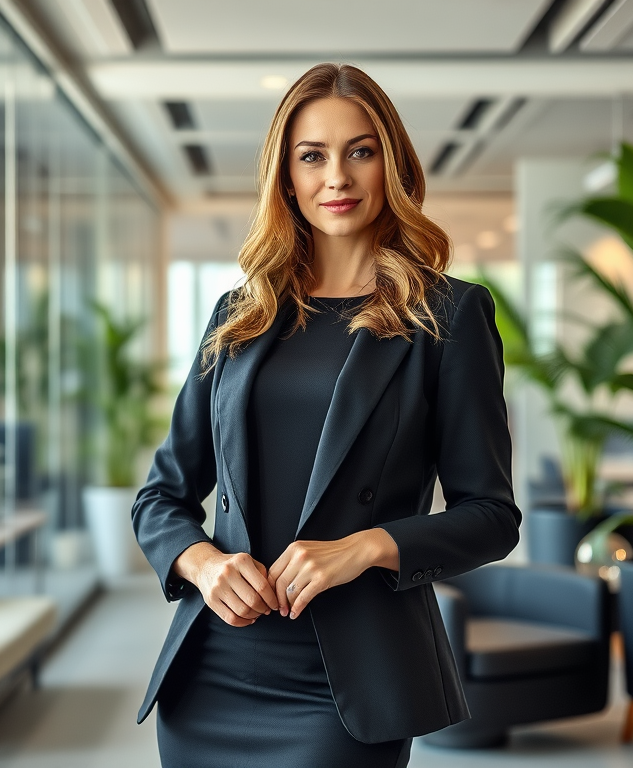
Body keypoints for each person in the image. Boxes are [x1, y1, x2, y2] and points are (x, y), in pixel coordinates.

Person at [131, 62, 521, 768]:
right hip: (213, 669)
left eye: (360, 151)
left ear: (391, 164)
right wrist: (201, 563)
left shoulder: (450, 315)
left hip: (344, 686)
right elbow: (161, 495)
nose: (336, 177)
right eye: (312, 156)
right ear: (286, 176)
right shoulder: (239, 317)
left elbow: (492, 515)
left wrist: (367, 546)